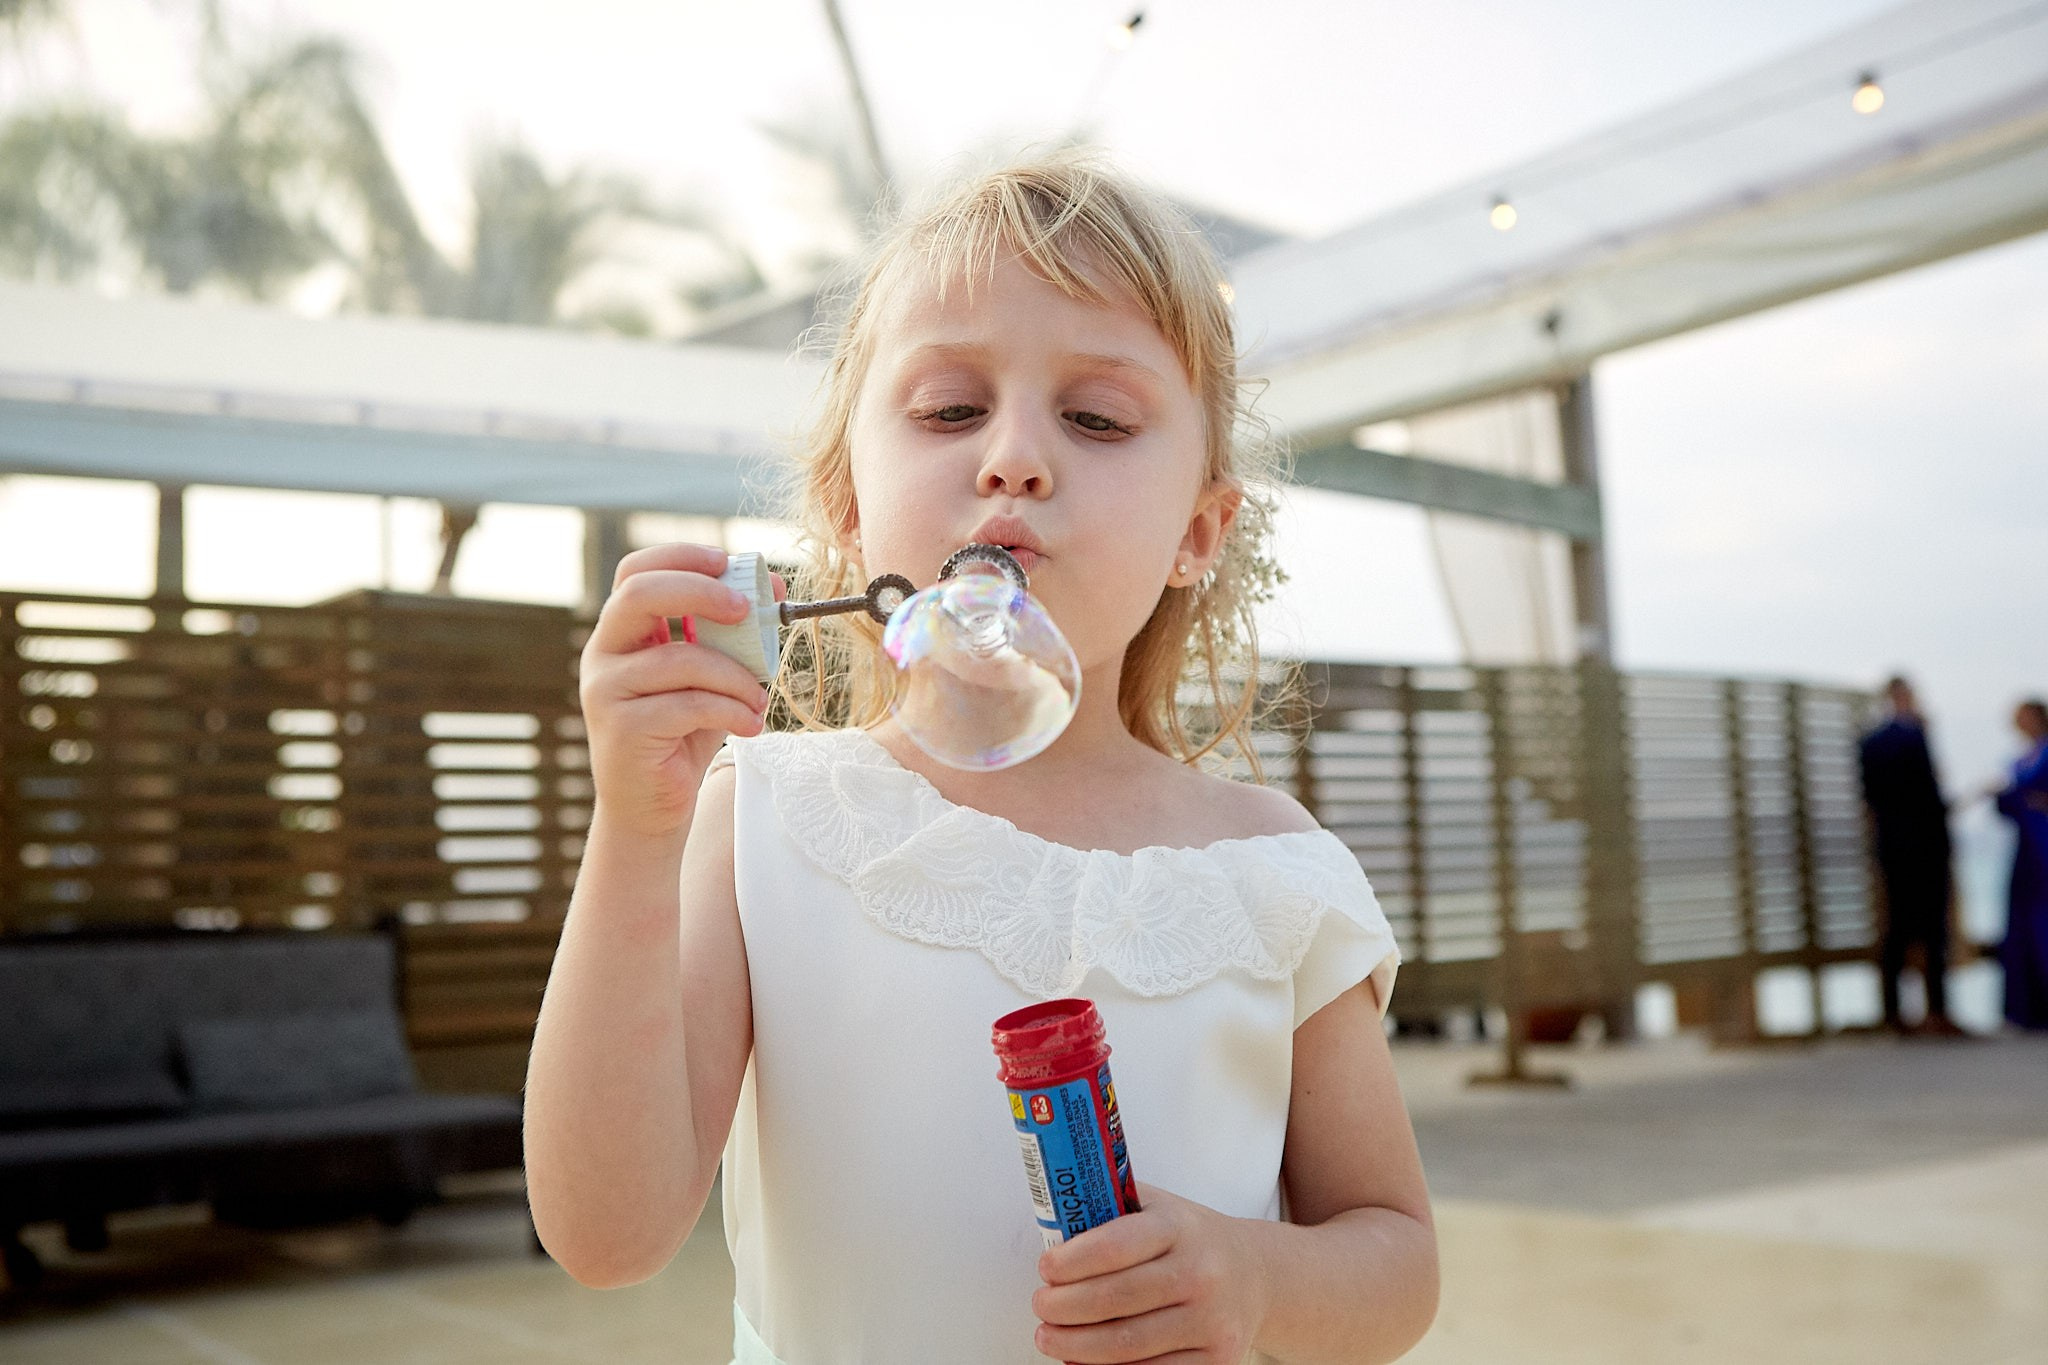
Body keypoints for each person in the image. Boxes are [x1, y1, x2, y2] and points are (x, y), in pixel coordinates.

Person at [523, 154, 1438, 1365]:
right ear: (849, 504)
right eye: (950, 410)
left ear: (1197, 533)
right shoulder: (768, 814)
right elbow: (607, 1235)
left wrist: (1257, 1280)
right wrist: (636, 834)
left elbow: (1397, 1257)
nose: (1012, 457)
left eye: (1097, 418)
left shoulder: (1272, 868)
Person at [1857, 676, 1964, 1036]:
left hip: (1891, 848)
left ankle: (1893, 1013)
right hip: (1924, 847)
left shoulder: (1870, 740)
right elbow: (1928, 796)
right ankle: (1937, 1012)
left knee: (1897, 930)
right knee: (1932, 929)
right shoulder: (1913, 735)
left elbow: (1870, 797)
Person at [1995, 697, 2048, 1030]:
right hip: (2027, 848)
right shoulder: (2018, 759)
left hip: (2044, 845)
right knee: (2024, 925)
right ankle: (2029, 1008)